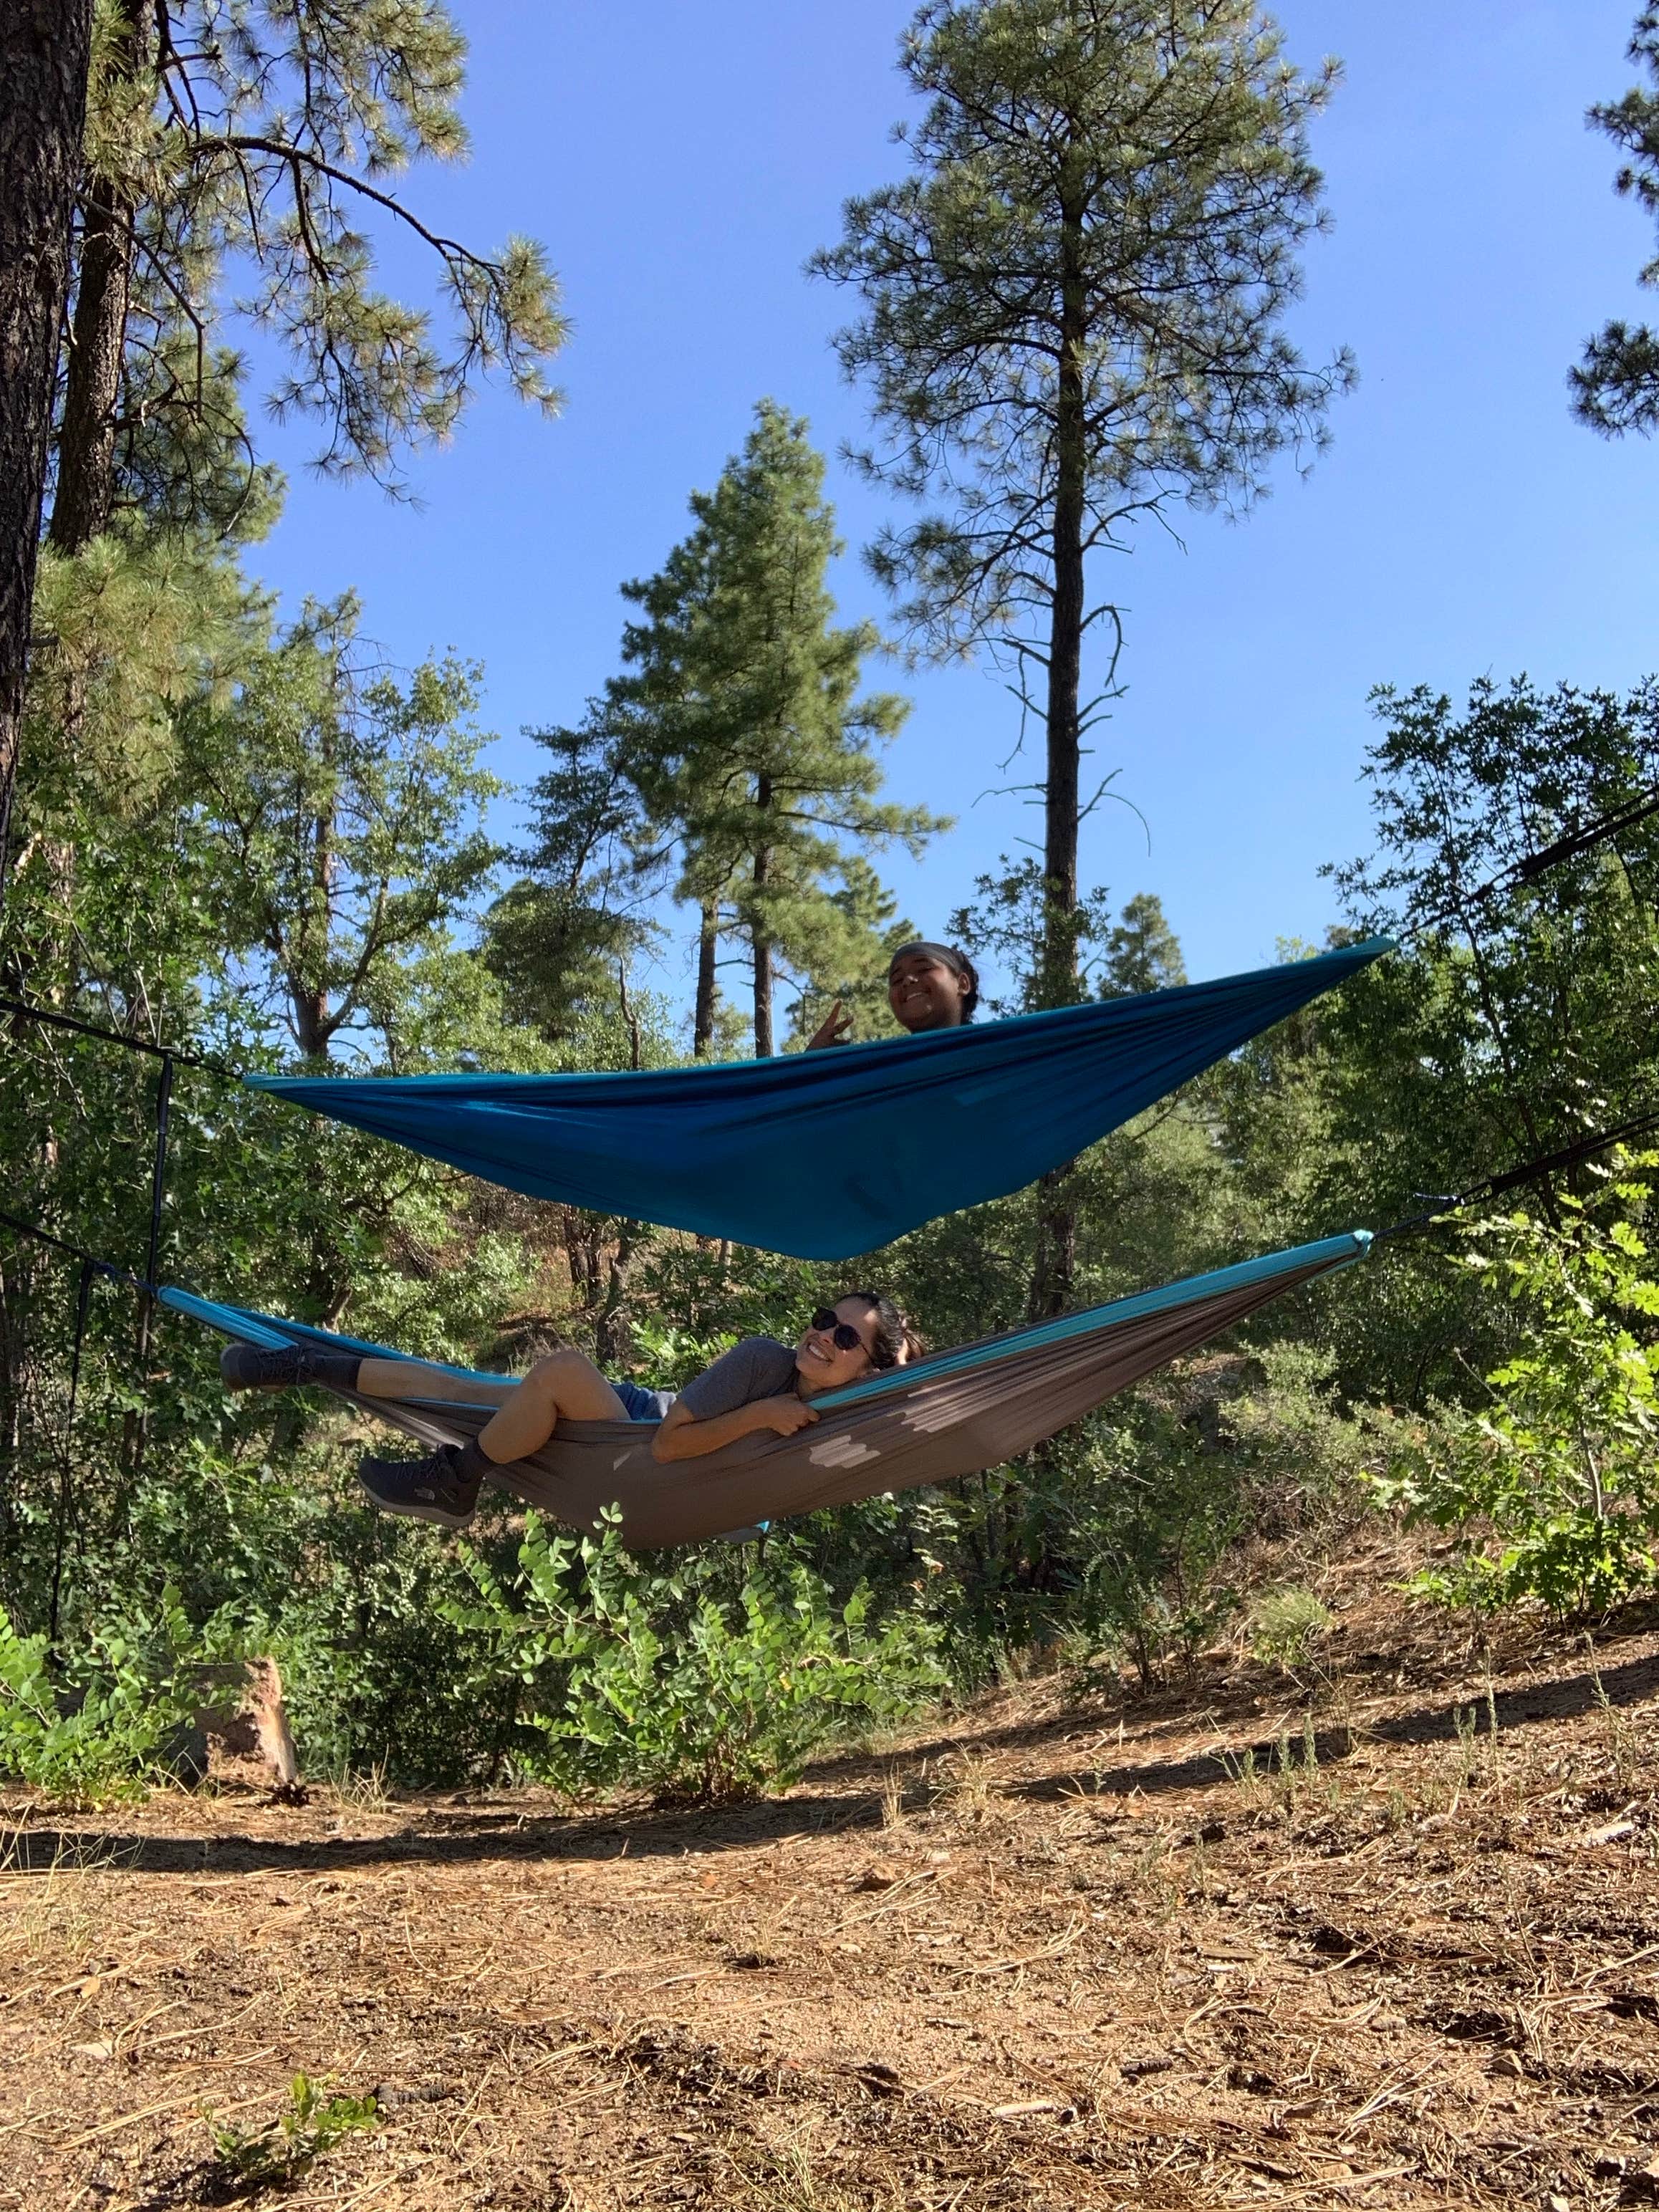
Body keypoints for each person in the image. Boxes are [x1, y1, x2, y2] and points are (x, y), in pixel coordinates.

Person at [218, 1291, 914, 1529]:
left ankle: (456, 1477)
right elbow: (672, 1441)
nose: (822, 1334)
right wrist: (759, 1416)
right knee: (461, 1386)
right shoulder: (764, 1358)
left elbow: (922, 1407)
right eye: (826, 1318)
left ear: (867, 1365)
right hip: (639, 1422)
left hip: (672, 1488)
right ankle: (306, 1364)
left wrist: (901, 1365)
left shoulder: (852, 1412)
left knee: (541, 1377)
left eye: (846, 1336)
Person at [807, 941, 978, 1049]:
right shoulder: (877, 1074)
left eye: (924, 969)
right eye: (896, 980)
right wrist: (812, 1062)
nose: (907, 980)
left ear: (962, 984)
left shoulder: (999, 1055)